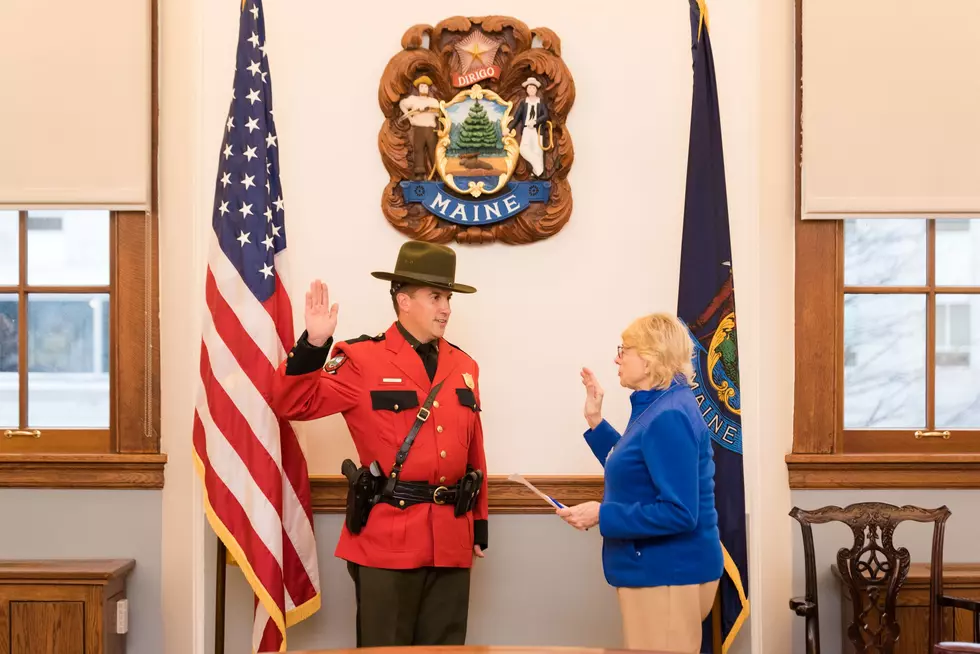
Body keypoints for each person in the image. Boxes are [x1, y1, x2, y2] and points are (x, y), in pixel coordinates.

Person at [271, 240, 489, 647]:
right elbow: (291, 404)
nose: (446, 308)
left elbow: (473, 448)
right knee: (385, 649)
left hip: (451, 537)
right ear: (403, 300)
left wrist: (479, 522)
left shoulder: (464, 365)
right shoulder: (360, 359)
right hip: (388, 539)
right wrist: (313, 346)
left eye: (448, 298)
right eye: (436, 297)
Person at [556, 312, 723, 654]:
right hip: (661, 574)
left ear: (648, 360)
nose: (617, 358)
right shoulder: (658, 405)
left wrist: (602, 515)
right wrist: (595, 421)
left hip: (667, 575)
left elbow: (679, 513)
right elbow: (635, 467)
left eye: (625, 349)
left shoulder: (669, 414)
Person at [399, 75, 441, 179]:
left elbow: (439, 113)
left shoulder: (433, 101)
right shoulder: (413, 99)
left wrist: (429, 109)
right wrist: (410, 118)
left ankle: (438, 172)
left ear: (428, 89)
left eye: (426, 87)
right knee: (418, 150)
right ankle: (419, 173)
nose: (424, 89)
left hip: (431, 129)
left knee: (433, 150)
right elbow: (402, 104)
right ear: (418, 88)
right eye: (422, 86)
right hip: (419, 129)